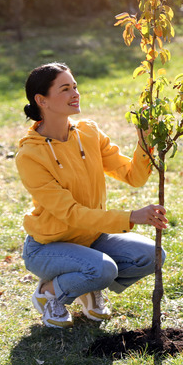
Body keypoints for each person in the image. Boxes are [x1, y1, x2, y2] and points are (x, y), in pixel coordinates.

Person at [15, 62, 167, 328]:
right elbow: (71, 214)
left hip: (91, 238)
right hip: (48, 247)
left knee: (153, 255)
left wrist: (144, 140)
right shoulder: (30, 155)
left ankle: (87, 282)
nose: (75, 93)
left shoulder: (89, 132)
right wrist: (131, 217)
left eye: (75, 86)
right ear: (42, 100)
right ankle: (51, 293)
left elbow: (133, 176)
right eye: (65, 89)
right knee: (103, 269)